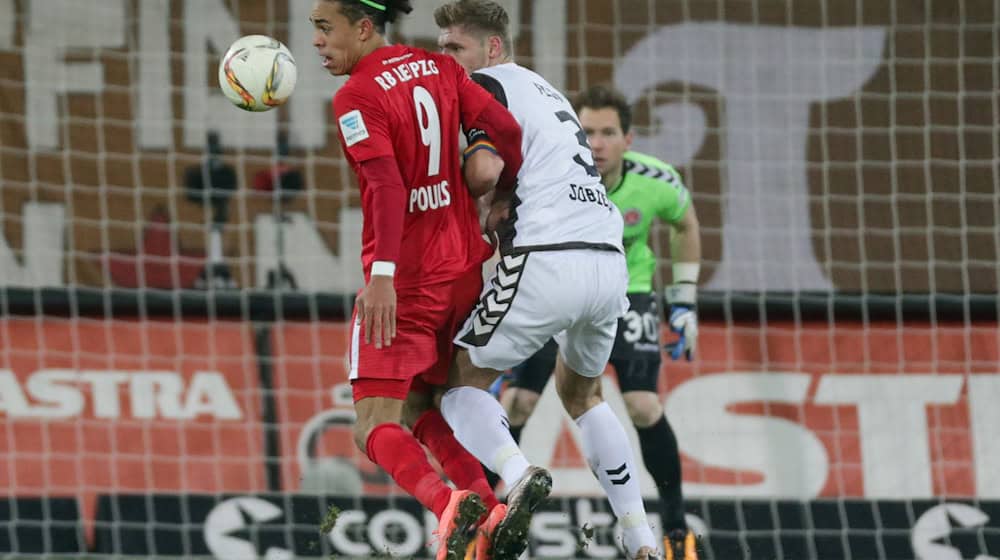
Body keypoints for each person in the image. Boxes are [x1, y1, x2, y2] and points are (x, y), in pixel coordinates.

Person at [434, 2, 662, 559]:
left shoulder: (480, 86)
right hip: (607, 261)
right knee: (581, 391)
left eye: (453, 49)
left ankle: (514, 475)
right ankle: (641, 540)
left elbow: (482, 172)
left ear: (490, 49)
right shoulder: (545, 90)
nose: (445, 60)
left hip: (547, 256)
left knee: (455, 383)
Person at [311, 1, 526, 559]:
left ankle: (446, 504)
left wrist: (381, 275)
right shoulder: (439, 66)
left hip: (405, 282)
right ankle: (486, 506)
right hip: (463, 272)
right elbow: (503, 127)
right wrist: (503, 195)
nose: (316, 40)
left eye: (323, 27)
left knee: (369, 424)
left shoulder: (355, 96)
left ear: (363, 27)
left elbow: (385, 185)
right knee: (420, 403)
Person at [501, 84, 703, 560]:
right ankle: (489, 520)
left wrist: (684, 299)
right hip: (558, 291)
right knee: (518, 402)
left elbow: (685, 222)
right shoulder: (548, 175)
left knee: (643, 406)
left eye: (608, 132)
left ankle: (676, 532)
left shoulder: (657, 180)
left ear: (628, 139)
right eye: (587, 131)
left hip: (628, 294)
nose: (596, 142)